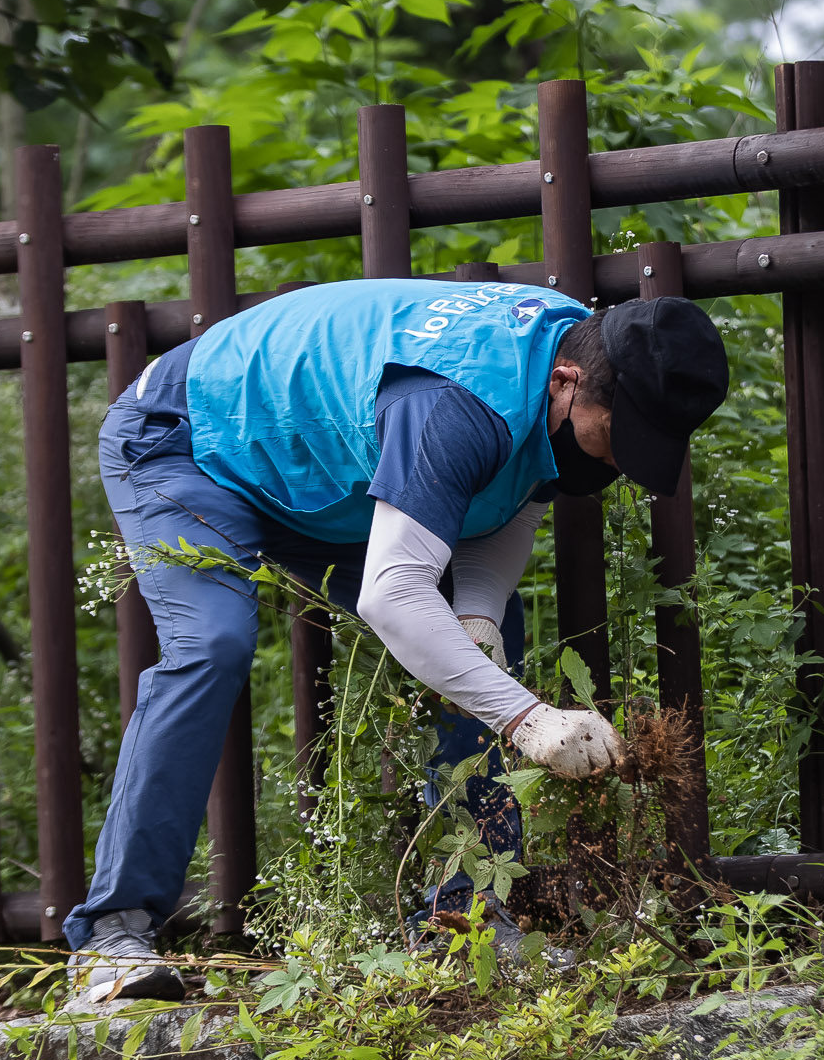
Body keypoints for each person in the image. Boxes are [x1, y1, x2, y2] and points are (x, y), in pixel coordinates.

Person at [66, 277, 730, 1000]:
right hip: (188, 440)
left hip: (317, 469)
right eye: (618, 435)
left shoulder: (568, 352)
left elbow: (511, 495)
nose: (615, 461)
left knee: (480, 647)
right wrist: (527, 718)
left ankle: (465, 919)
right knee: (212, 644)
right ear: (569, 382)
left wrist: (476, 609)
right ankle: (112, 935)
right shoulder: (458, 401)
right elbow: (392, 593)